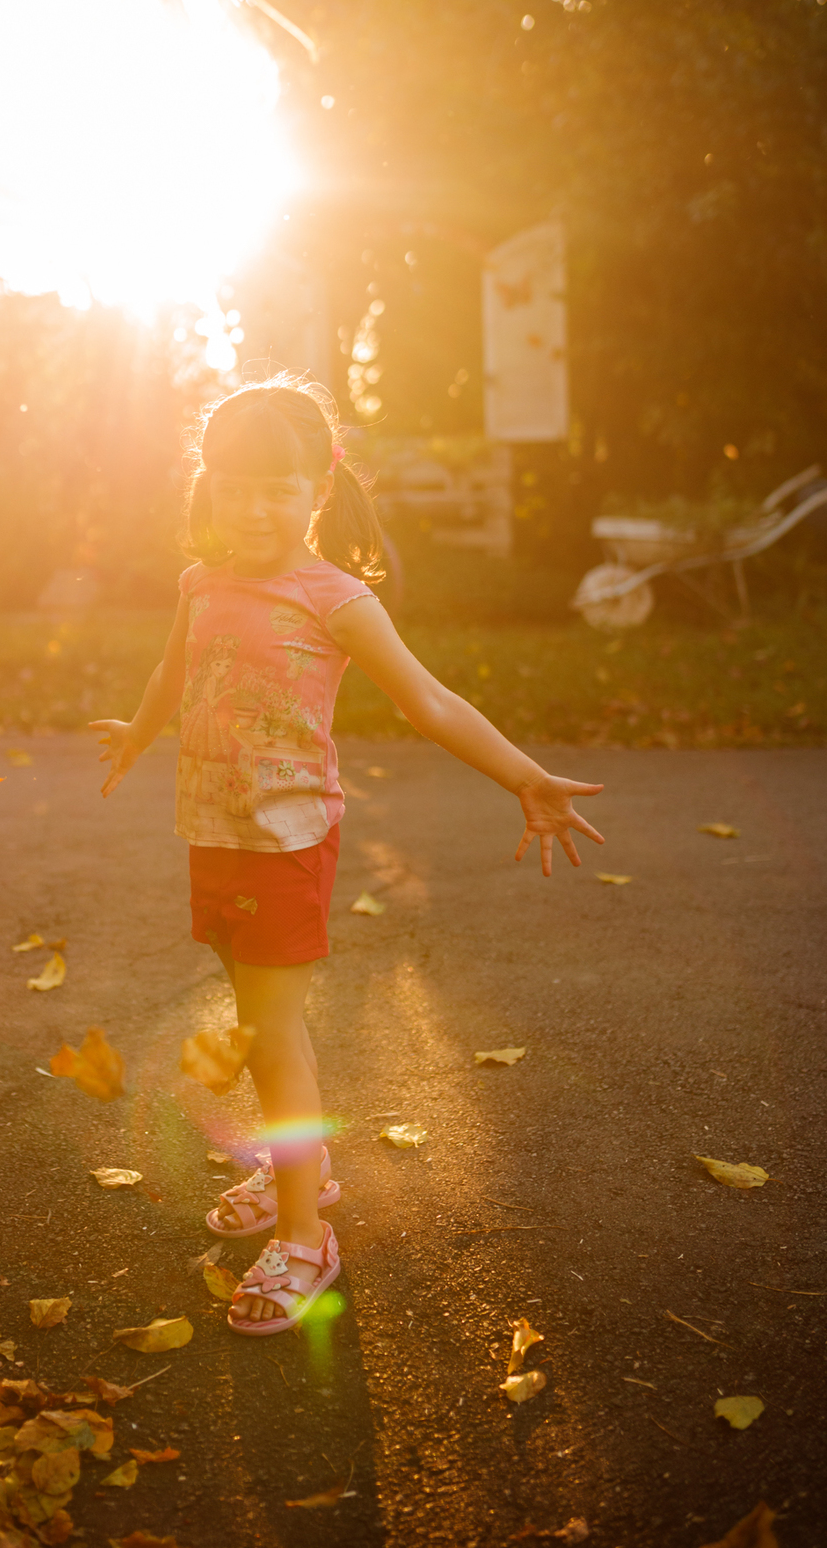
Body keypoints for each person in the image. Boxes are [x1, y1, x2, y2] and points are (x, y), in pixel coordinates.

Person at [90, 376, 605, 1337]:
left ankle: (303, 1237)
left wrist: (522, 775)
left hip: (287, 844)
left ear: (317, 490)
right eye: (237, 484)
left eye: (278, 487)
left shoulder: (335, 598)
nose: (256, 506)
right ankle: (306, 1168)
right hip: (214, 829)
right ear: (209, 486)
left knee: (274, 1034)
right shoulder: (201, 581)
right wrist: (139, 729)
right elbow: (175, 668)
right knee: (253, 1016)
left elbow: (432, 701)